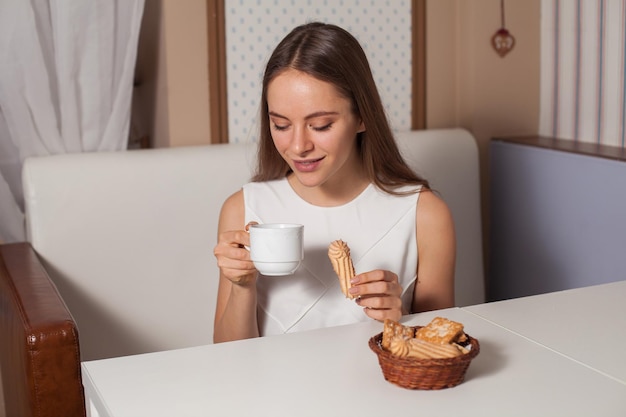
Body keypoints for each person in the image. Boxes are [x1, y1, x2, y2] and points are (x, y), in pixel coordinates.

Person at [213, 22, 455, 343]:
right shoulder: (243, 209)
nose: (298, 146)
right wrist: (242, 286)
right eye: (281, 125)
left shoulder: (425, 215)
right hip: (272, 391)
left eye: (321, 125)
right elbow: (227, 357)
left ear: (362, 116)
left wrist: (401, 320)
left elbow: (440, 351)